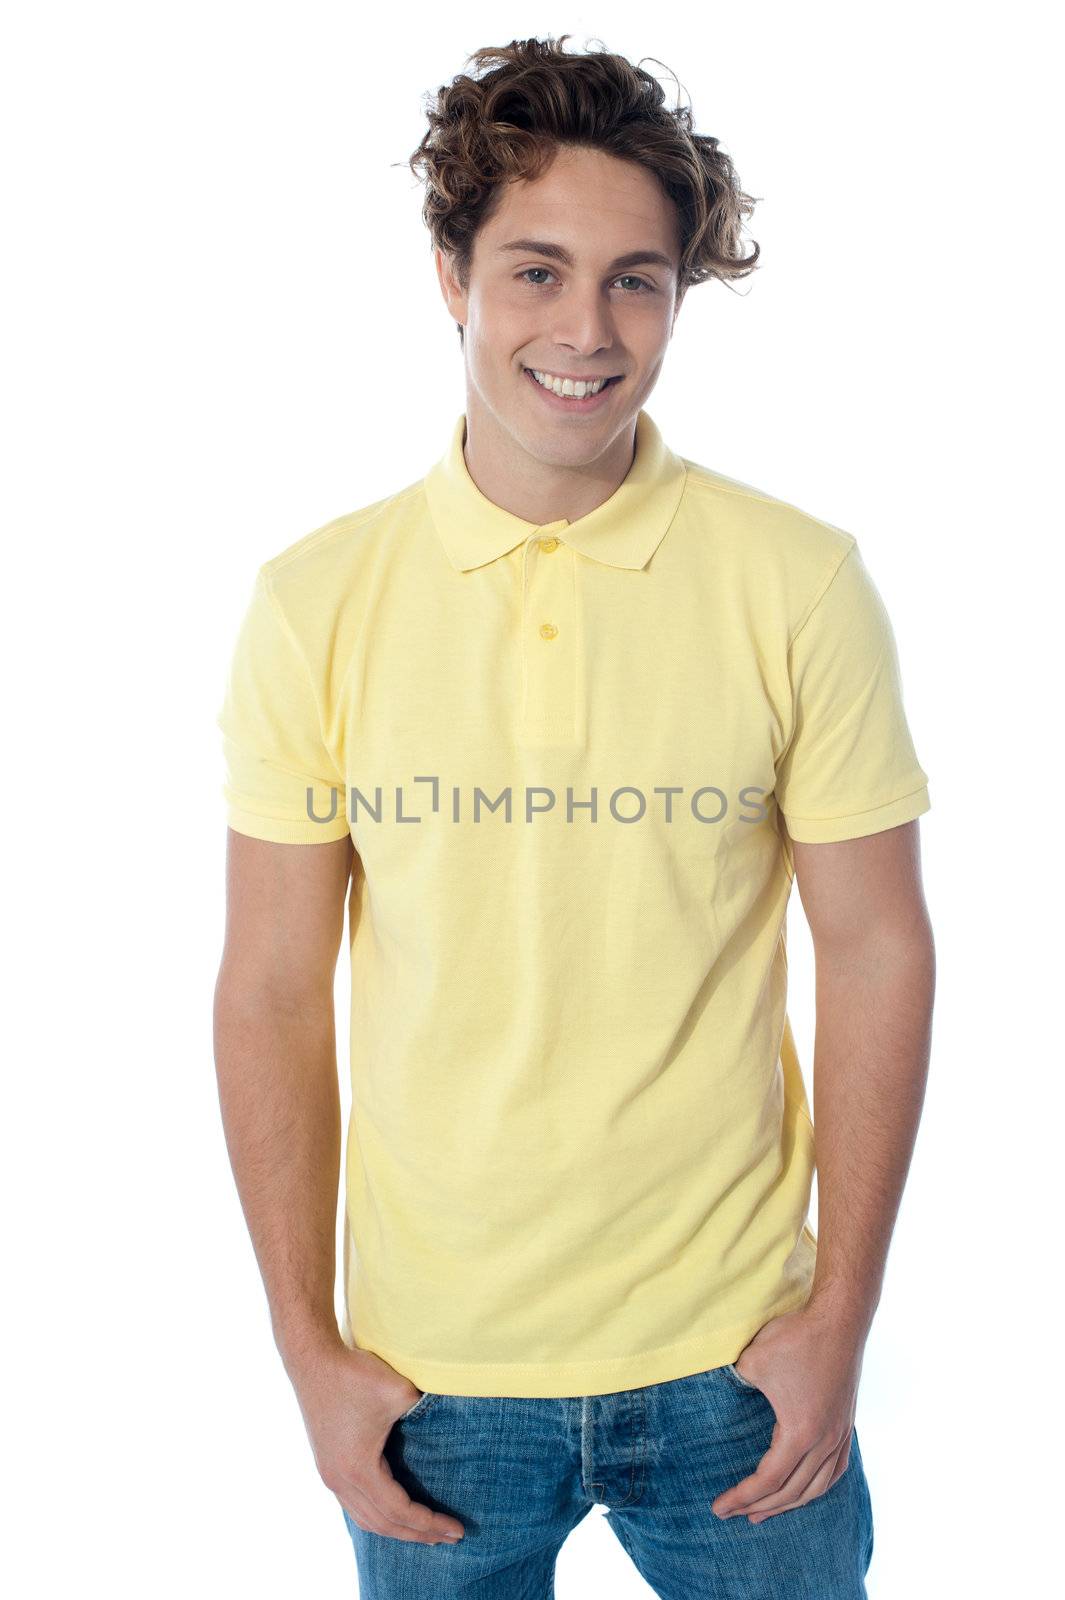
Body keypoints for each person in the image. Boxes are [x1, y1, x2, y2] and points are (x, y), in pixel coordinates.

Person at [213, 34, 935, 1599]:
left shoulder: (793, 581)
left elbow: (875, 947)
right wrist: (307, 1354)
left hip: (736, 1364)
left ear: (679, 299)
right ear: (450, 277)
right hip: (431, 1374)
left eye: (636, 282)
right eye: (535, 271)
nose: (585, 331)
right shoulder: (315, 603)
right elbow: (271, 989)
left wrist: (837, 1326)